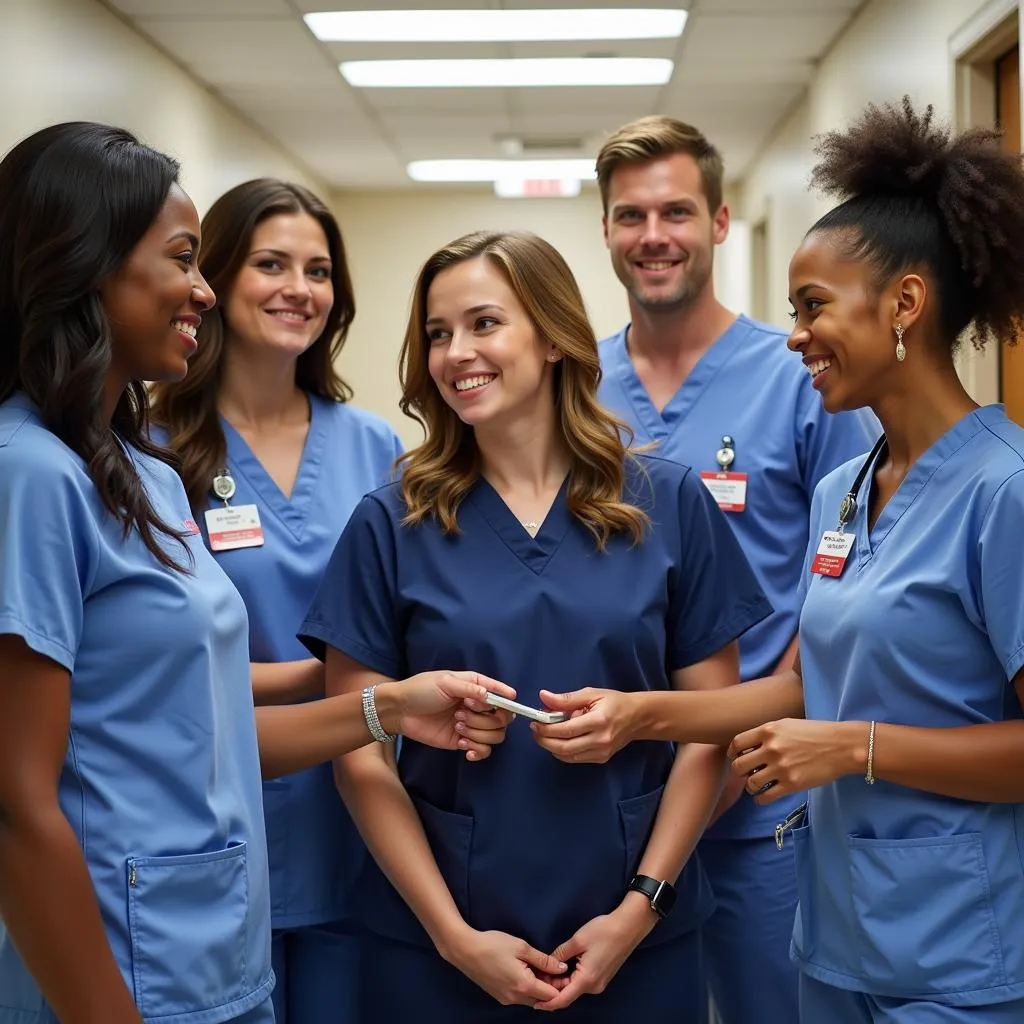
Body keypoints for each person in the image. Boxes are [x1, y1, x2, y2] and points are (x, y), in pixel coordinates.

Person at [0, 122, 514, 1024]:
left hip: (216, 941)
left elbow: (205, 723)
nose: (200, 286)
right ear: (87, 265)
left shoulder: (141, 475)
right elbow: (14, 803)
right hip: (127, 961)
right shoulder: (29, 474)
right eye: (184, 259)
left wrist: (388, 705)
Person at [535, 98, 1024, 1022]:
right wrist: (643, 715)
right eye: (794, 311)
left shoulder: (1004, 492)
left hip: (960, 947)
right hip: (838, 931)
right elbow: (805, 684)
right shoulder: (852, 489)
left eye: (813, 308)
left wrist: (853, 747)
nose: (795, 333)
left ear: (905, 305)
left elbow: (834, 725)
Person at [296, 230, 773, 1022]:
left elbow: (708, 731)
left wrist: (639, 909)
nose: (456, 353)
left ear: (553, 337)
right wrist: (452, 936)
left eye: (484, 324)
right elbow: (362, 757)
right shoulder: (389, 524)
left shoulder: (671, 503)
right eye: (438, 334)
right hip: (435, 951)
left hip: (636, 945)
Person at [588, 113, 876, 1024]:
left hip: (760, 799)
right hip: (614, 794)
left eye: (677, 211)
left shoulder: (800, 377)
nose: (653, 237)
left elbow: (850, 568)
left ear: (718, 221)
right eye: (630, 216)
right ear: (604, 230)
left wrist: (759, 732)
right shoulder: (574, 388)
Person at [151, 178, 402, 1024]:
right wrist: (332, 680)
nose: (301, 288)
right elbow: (157, 662)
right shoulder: (148, 450)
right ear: (216, 277)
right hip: (210, 817)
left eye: (319, 269)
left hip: (358, 817)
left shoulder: (374, 446)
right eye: (271, 264)